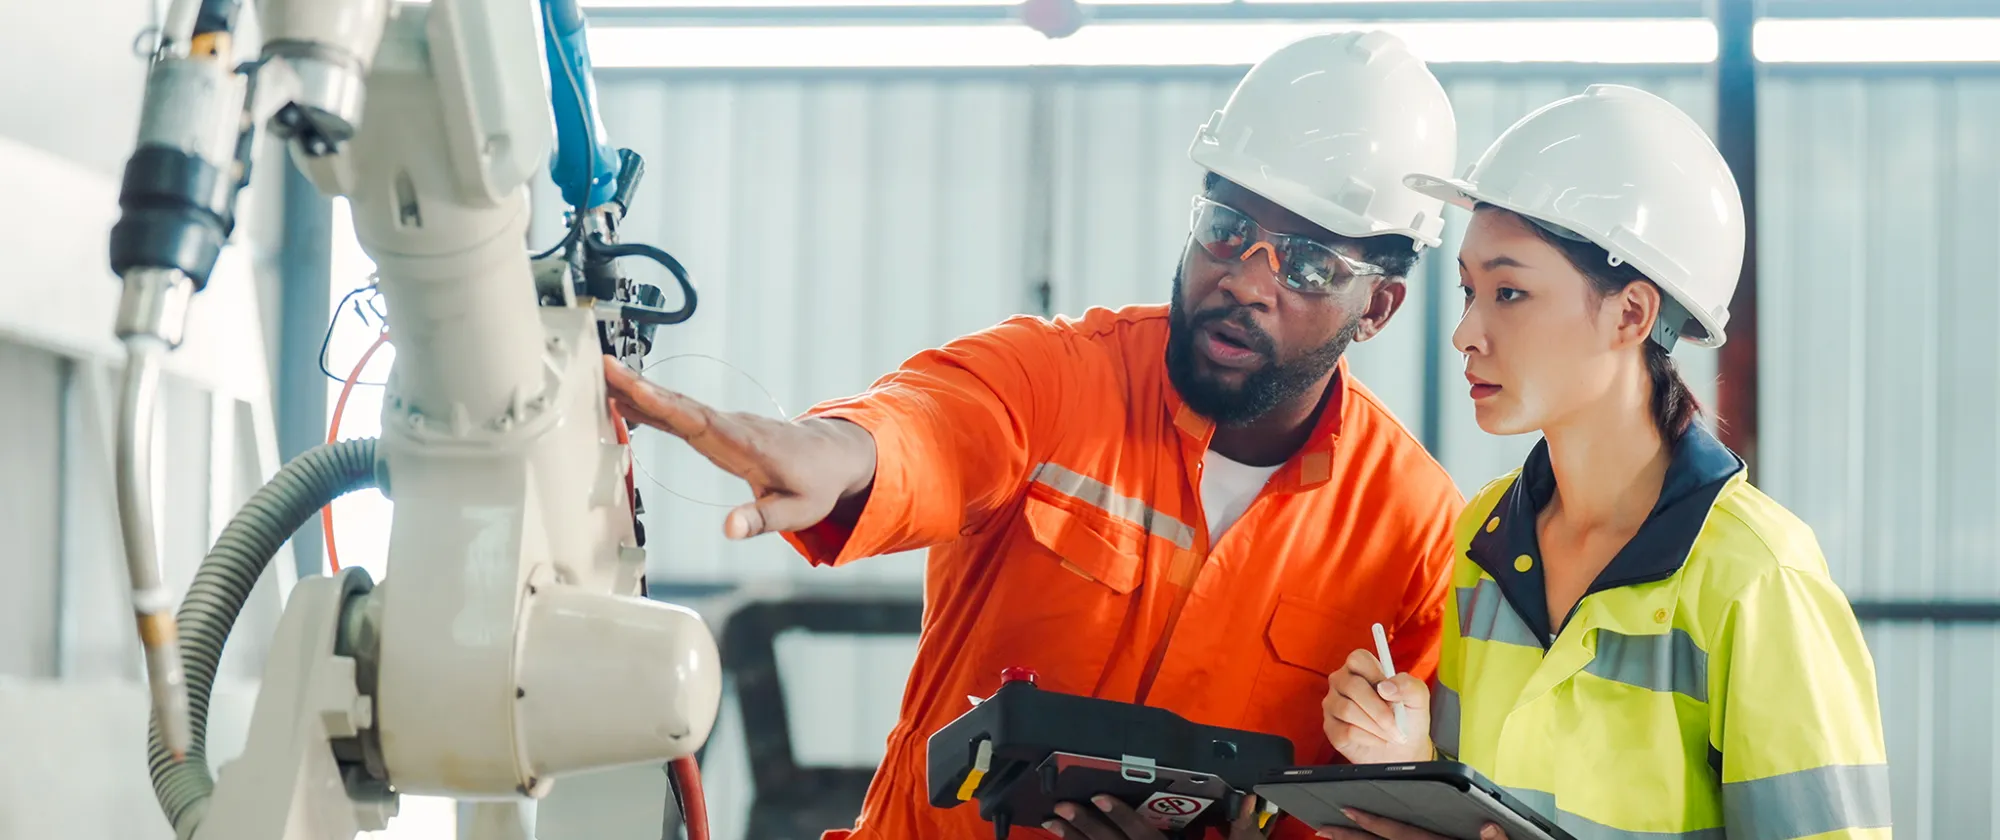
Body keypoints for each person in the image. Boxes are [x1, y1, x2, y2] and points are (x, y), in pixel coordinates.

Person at [605, 30, 1468, 840]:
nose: (1244, 279)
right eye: (1227, 228)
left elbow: (1380, 809)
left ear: (1379, 307)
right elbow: (939, 426)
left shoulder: (1415, 532)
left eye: (1309, 264)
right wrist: (833, 452)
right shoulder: (1064, 379)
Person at [1317, 85, 1892, 840]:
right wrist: (1409, 757)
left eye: (1510, 292)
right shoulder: (1483, 539)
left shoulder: (1758, 580)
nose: (1466, 333)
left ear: (1630, 313)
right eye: (1469, 291)